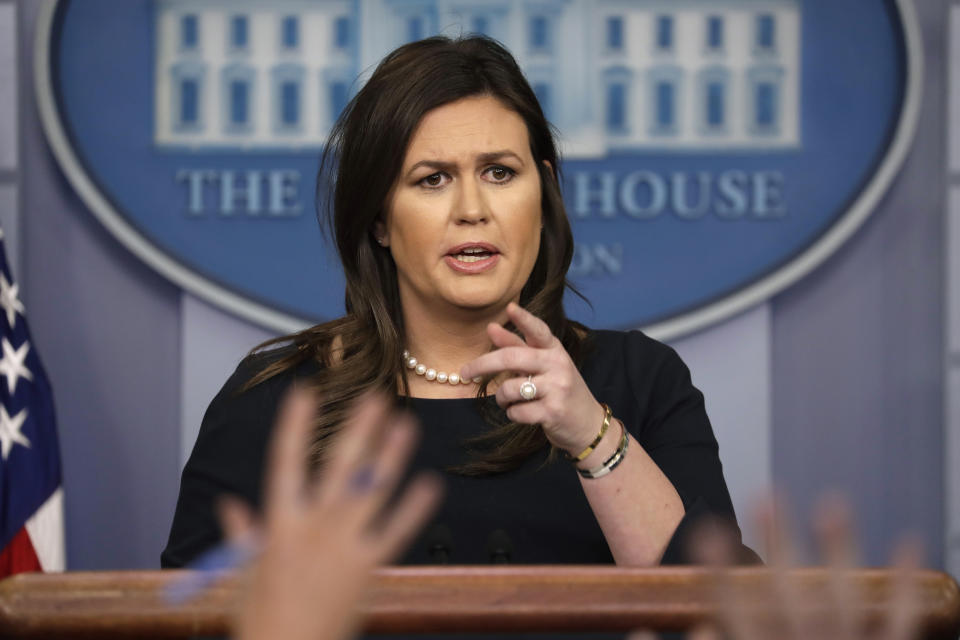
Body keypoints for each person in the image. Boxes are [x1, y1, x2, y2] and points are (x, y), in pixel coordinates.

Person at [162, 34, 757, 570]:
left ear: (543, 194)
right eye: (432, 179)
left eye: (500, 173)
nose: (472, 208)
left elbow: (725, 617)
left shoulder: (640, 383)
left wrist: (590, 434)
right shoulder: (278, 399)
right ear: (379, 220)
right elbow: (181, 618)